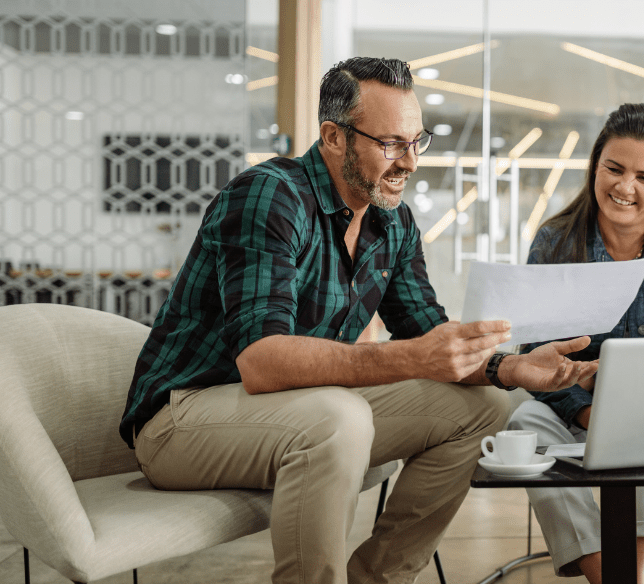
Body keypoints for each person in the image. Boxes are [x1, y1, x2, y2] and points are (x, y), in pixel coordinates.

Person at [118, 57, 597, 584]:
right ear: (333, 137)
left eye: (418, 142)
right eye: (391, 143)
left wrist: (512, 368)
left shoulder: (393, 223)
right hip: (184, 422)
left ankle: (378, 578)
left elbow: (426, 332)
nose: (410, 163)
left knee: (482, 407)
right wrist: (413, 357)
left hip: (299, 412)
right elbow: (260, 361)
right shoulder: (270, 195)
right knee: (337, 417)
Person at [506, 103, 644, 583]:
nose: (625, 188)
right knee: (523, 422)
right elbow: (534, 360)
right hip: (575, 409)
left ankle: (626, 576)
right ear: (595, 167)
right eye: (614, 169)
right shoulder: (555, 241)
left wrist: (633, 409)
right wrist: (587, 413)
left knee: (641, 426)